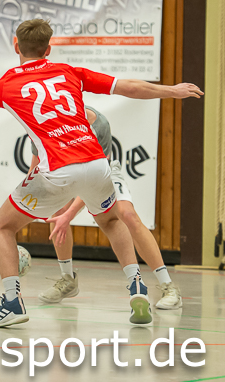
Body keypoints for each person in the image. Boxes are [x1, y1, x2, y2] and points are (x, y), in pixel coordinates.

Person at [0, 19, 202, 328]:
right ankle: (135, 284)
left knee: (2, 227)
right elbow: (128, 87)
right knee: (111, 220)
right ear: (48, 49)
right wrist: (172, 91)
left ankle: (12, 303)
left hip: (59, 170)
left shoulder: (6, 84)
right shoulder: (69, 72)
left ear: (16, 46)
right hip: (97, 164)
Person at [37, 106, 182, 315]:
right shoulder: (43, 121)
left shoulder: (98, 124)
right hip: (69, 173)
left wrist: (70, 214)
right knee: (57, 212)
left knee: (126, 215)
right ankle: (67, 279)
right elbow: (36, 168)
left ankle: (168, 286)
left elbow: (94, 180)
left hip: (101, 174)